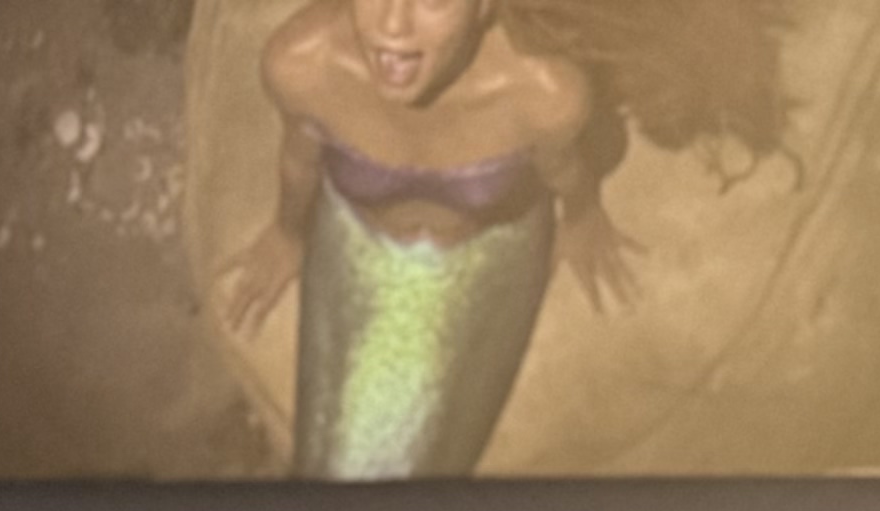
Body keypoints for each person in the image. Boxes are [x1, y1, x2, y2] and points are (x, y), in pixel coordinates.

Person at [213, 0, 788, 480]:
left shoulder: (544, 91)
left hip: (490, 256)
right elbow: (299, 158)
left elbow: (566, 172)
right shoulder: (301, 61)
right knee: (328, 464)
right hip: (355, 243)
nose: (392, 25)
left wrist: (582, 220)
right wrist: (287, 233)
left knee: (432, 459)